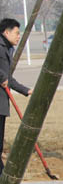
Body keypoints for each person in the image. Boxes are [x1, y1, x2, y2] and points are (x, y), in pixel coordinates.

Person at [0, 18, 31, 175]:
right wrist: (1, 77)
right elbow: (4, 76)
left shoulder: (6, 48)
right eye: (17, 33)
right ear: (7, 32)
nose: (19, 36)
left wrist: (26, 90)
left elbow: (8, 78)